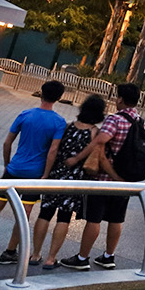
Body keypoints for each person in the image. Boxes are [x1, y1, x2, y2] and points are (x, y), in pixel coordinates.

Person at [0, 81, 66, 264]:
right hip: (35, 174)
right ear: (59, 98)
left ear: (41, 94)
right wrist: (45, 174)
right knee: (23, 213)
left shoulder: (25, 114)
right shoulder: (59, 122)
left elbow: (7, 142)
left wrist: (7, 164)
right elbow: (53, 150)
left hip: (14, 168)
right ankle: (10, 252)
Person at [63, 83, 144, 271]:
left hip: (104, 179)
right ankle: (108, 256)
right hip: (126, 180)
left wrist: (77, 158)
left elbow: (100, 142)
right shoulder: (141, 122)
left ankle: (82, 258)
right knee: (116, 219)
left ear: (120, 99)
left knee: (94, 219)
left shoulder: (114, 120)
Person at [32, 95, 104, 270]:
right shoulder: (94, 132)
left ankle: (35, 254)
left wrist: (47, 173)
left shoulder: (68, 126)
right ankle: (51, 259)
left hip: (56, 175)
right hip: (75, 180)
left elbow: (54, 149)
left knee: (44, 213)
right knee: (64, 217)